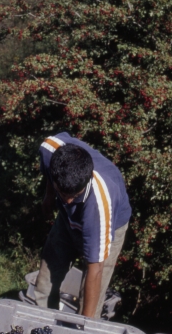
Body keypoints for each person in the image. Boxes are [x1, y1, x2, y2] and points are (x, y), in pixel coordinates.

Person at [34, 133, 131, 318]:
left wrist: (84, 326)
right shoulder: (50, 152)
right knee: (45, 282)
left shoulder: (99, 207)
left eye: (75, 195)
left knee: (90, 304)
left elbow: (95, 270)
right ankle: (42, 324)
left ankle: (81, 333)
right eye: (63, 194)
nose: (69, 201)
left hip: (107, 223)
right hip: (67, 221)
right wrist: (49, 196)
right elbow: (49, 171)